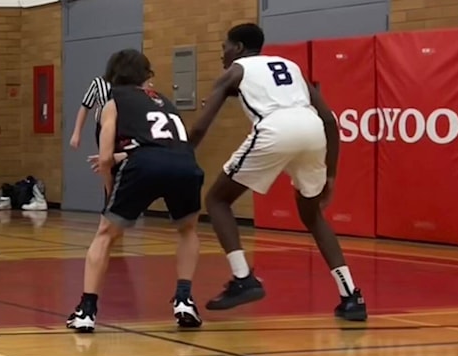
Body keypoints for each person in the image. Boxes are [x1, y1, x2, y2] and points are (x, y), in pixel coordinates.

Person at [187, 22, 367, 322]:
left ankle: (243, 277)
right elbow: (330, 121)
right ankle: (351, 296)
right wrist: (331, 175)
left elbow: (202, 125)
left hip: (276, 129)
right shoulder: (290, 67)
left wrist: (182, 152)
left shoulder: (234, 70)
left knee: (217, 200)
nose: (223, 55)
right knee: (313, 216)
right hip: (311, 129)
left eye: (225, 48)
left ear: (239, 48)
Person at [66, 49, 204, 333]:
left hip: (143, 166)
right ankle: (184, 299)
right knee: (188, 230)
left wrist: (110, 186)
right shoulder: (165, 101)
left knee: (105, 235)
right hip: (186, 164)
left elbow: (105, 158)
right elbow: (165, 142)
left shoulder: (113, 102)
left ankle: (86, 310)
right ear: (146, 76)